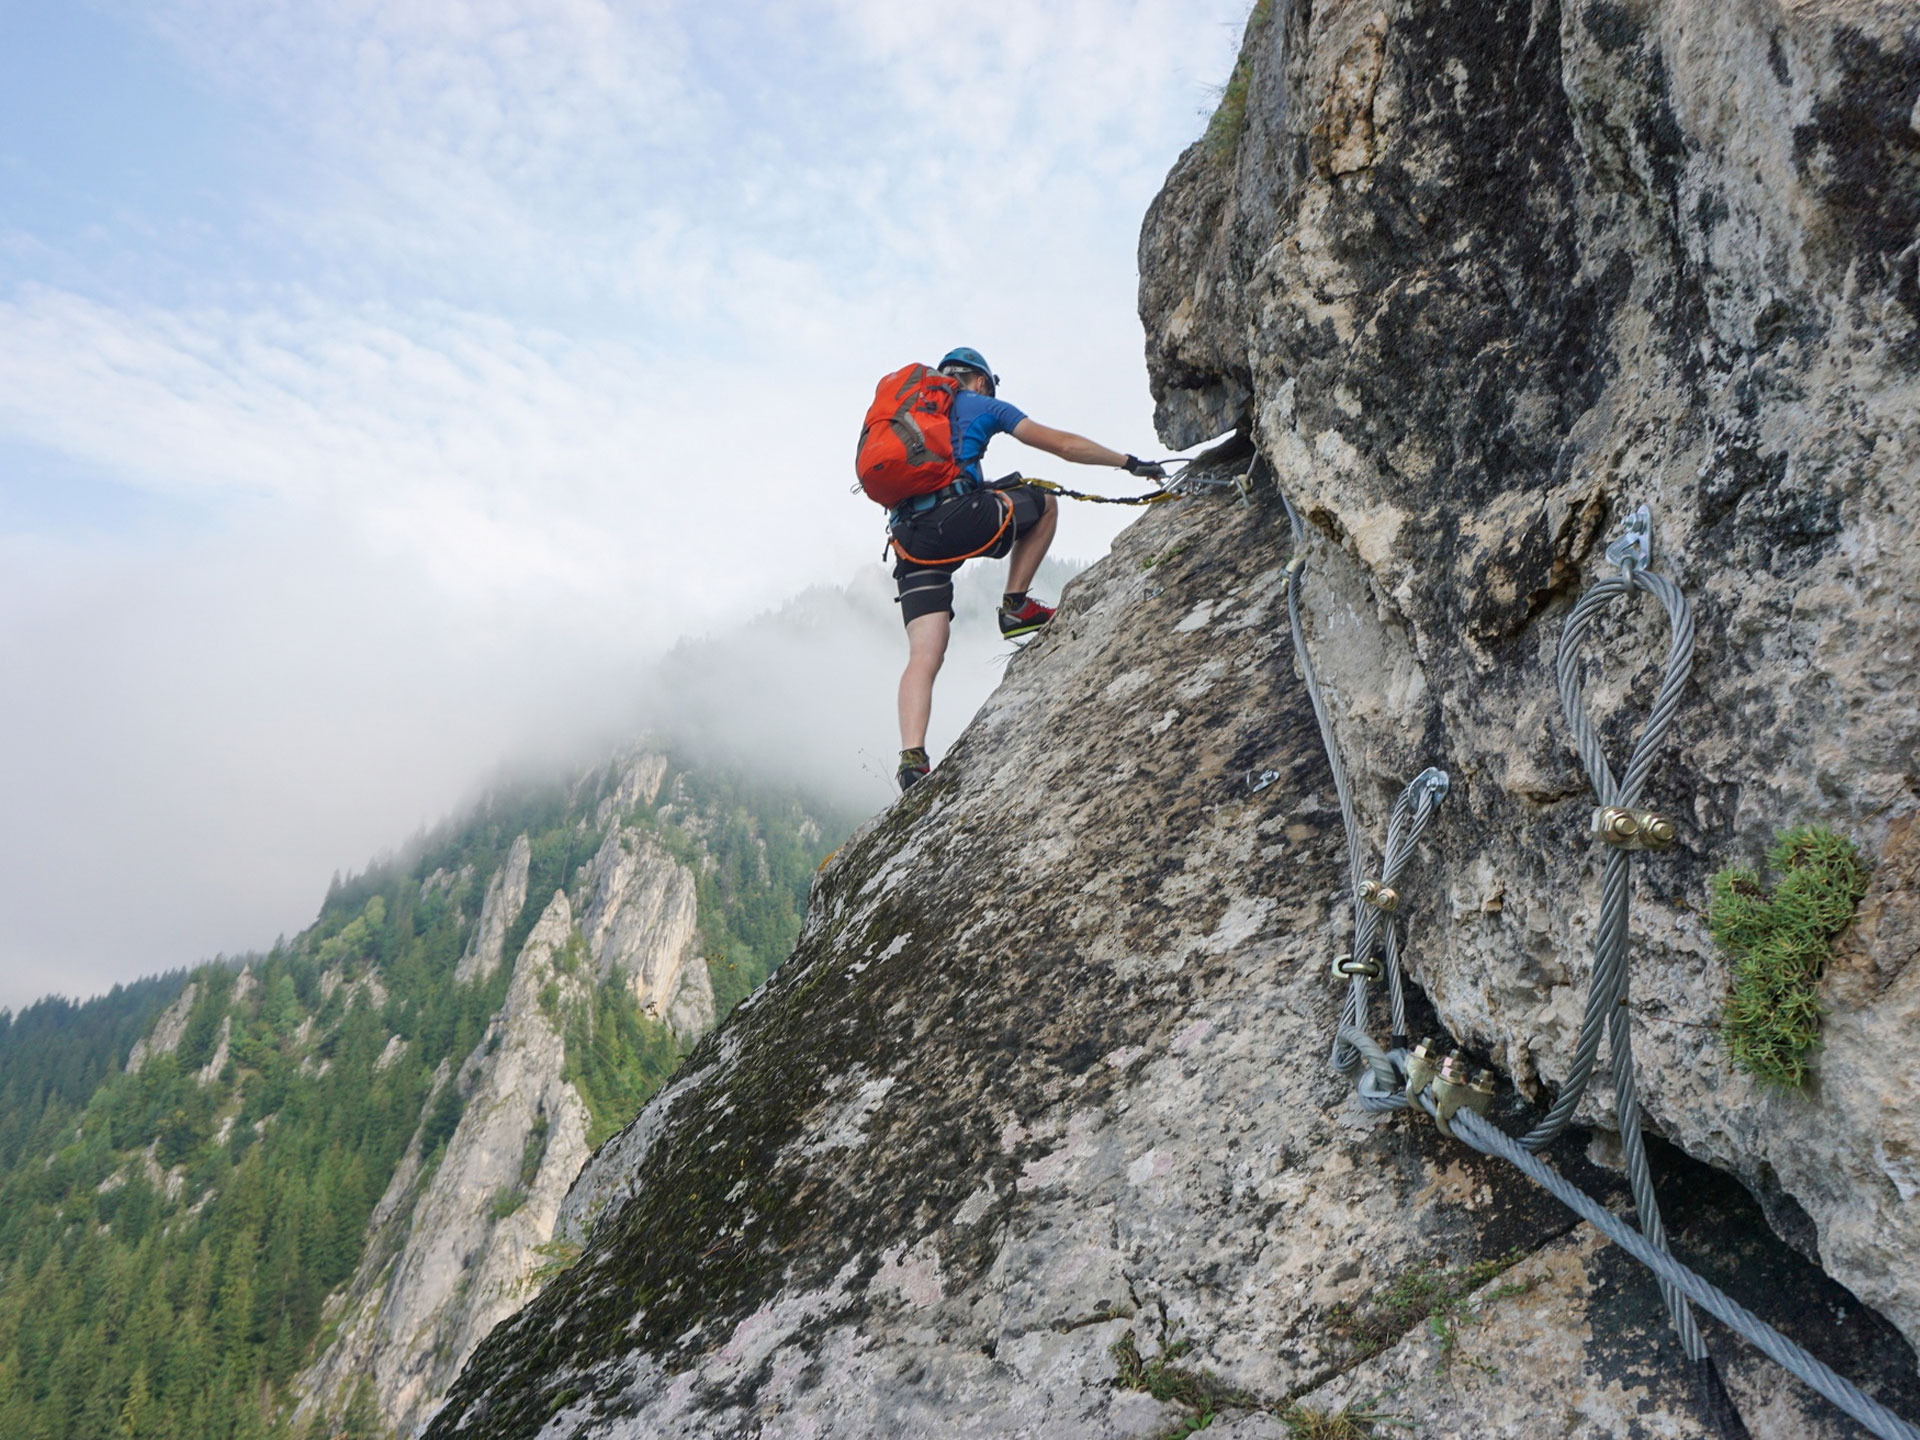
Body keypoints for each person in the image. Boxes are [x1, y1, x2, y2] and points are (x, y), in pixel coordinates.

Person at [890, 346, 1165, 792]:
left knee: (924, 654)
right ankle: (1015, 606)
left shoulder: (912, 418)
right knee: (1045, 501)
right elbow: (1062, 446)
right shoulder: (982, 404)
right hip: (957, 521)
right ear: (980, 380)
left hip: (908, 540)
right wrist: (1128, 462)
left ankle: (911, 759)